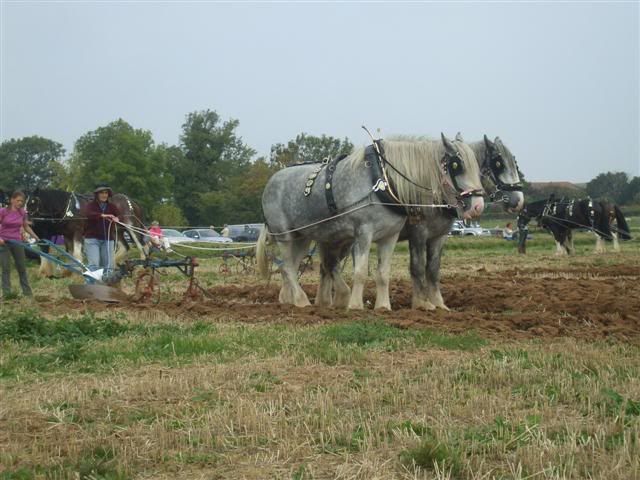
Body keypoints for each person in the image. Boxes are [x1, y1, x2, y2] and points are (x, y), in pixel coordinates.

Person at [0, 191, 39, 298]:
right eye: (18, 200)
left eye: (22, 201)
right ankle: (7, 294)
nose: (20, 203)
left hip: (17, 241)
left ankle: (27, 293)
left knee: (21, 267)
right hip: (4, 243)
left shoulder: (22, 213)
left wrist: (36, 237)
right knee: (6, 268)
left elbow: (26, 226)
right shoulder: (3, 211)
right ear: (12, 200)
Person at [81, 184, 120, 276]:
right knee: (94, 265)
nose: (104, 195)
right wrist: (102, 215)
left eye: (106, 193)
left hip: (108, 240)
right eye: (101, 193)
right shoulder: (90, 206)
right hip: (92, 239)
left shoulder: (112, 207)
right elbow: (88, 214)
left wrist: (117, 219)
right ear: (97, 195)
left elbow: (119, 216)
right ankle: (91, 287)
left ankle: (107, 287)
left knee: (108, 267)